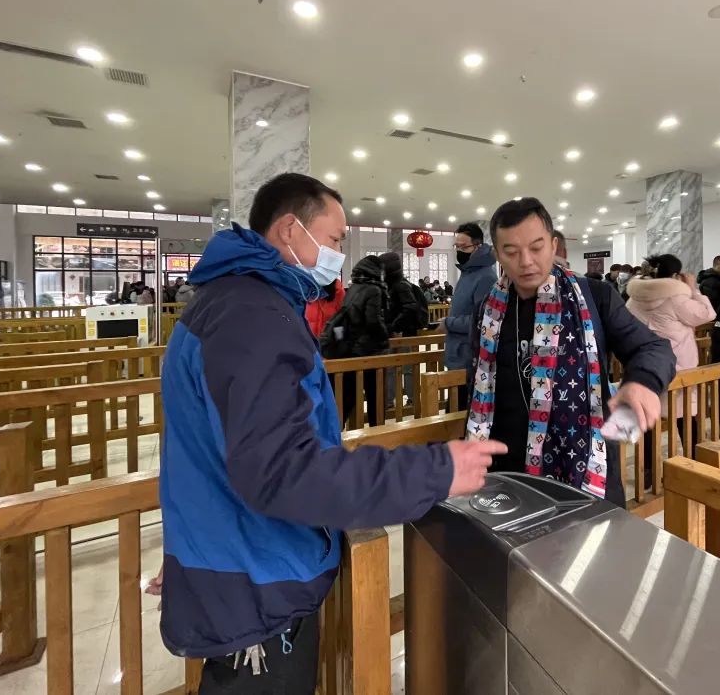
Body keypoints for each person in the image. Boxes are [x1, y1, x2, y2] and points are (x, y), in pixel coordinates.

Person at [158, 173, 505, 694]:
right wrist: (436, 470)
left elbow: (218, 447)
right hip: (258, 580)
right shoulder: (251, 316)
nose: (339, 253)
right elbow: (284, 470)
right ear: (290, 230)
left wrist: (197, 550)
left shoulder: (232, 302)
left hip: (235, 562)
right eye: (336, 238)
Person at [465, 198, 676, 506]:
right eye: (511, 251)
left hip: (584, 460)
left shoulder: (594, 296)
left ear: (553, 246)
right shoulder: (487, 310)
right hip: (506, 469)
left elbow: (652, 347)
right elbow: (476, 385)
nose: (526, 261)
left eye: (536, 247)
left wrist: (643, 381)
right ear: (497, 254)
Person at [626, 254, 716, 462]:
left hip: (645, 365)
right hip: (678, 366)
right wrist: (693, 289)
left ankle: (648, 469)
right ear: (675, 275)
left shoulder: (634, 298)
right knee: (686, 416)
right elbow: (707, 314)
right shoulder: (676, 298)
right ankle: (693, 464)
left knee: (648, 418)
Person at [335, 256, 390, 425]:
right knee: (375, 396)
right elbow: (373, 320)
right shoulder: (373, 290)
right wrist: (384, 337)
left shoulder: (353, 288)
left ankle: (336, 430)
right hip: (369, 351)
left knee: (348, 395)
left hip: (351, 350)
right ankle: (377, 432)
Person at [441, 222, 497, 373]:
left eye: (464, 247)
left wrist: (449, 323)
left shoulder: (486, 277)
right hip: (457, 352)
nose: (459, 251)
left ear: (477, 246)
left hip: (470, 357)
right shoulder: (467, 272)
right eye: (457, 247)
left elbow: (482, 319)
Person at [379, 252, 420, 336]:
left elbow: (410, 308)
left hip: (402, 333)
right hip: (399, 332)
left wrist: (393, 327)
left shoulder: (401, 285)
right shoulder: (394, 284)